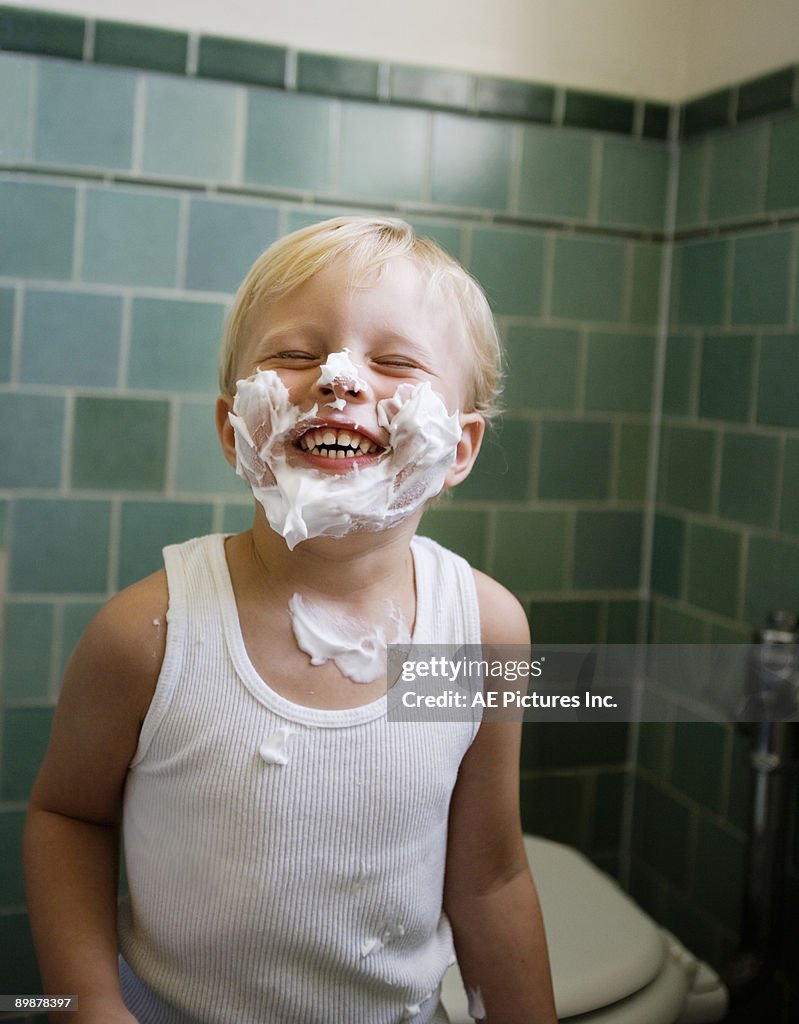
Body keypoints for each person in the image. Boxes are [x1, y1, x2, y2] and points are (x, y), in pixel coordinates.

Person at [24, 217, 557, 1024]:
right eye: (295, 356)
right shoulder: (150, 633)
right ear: (234, 428)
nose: (339, 379)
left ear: (459, 447)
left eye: (394, 362)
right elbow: (67, 817)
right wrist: (85, 1003)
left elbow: (489, 878)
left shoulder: (478, 630)